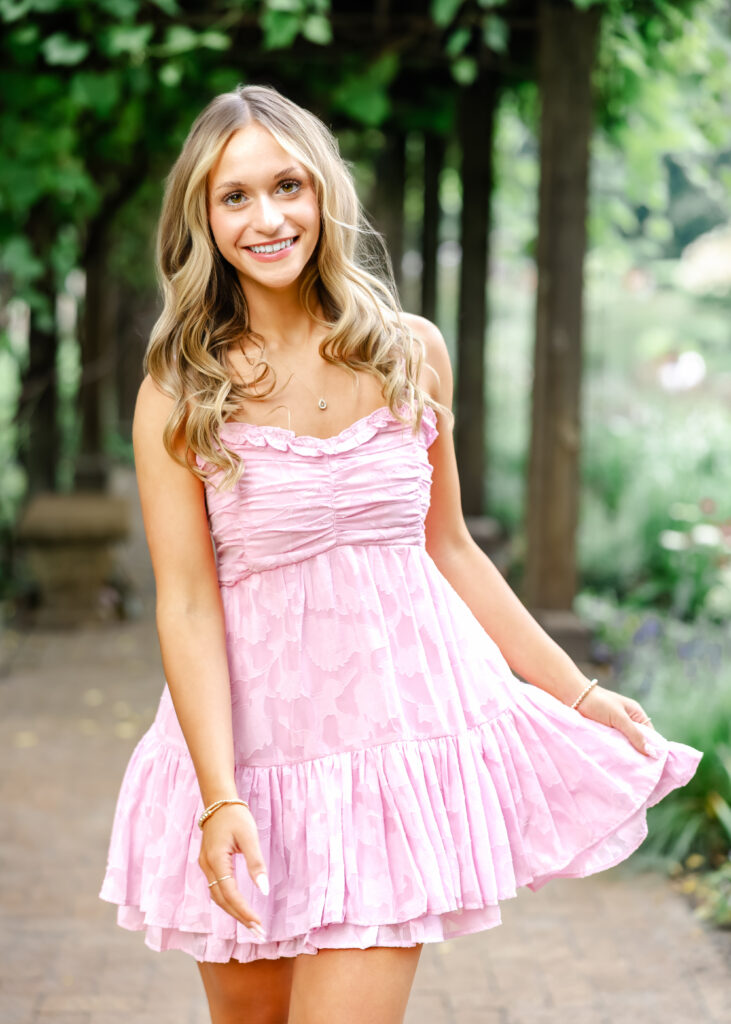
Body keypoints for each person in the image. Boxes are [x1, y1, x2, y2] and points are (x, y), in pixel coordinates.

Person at [99, 83, 703, 1024]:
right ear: (203, 220)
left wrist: (575, 691)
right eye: (235, 196)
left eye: (287, 186)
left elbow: (450, 547)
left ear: (323, 194)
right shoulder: (179, 389)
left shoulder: (408, 353)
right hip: (242, 764)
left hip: (390, 760)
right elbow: (184, 603)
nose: (267, 217)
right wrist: (220, 802)